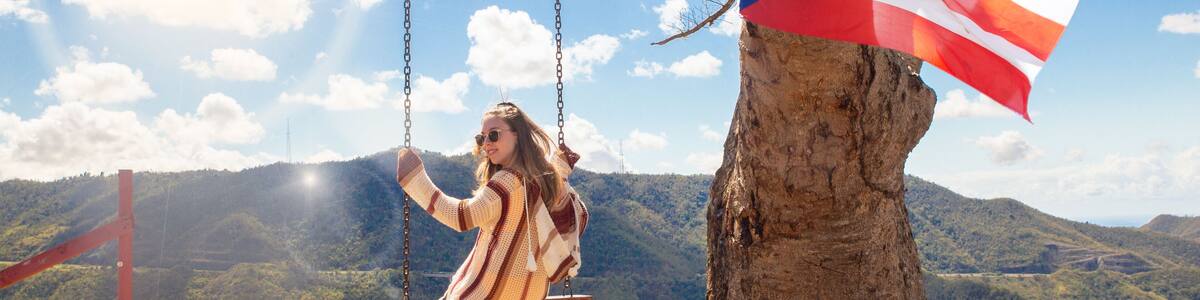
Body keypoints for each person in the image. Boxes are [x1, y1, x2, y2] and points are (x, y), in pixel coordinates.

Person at [396, 102, 588, 300]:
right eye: (481, 138)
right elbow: (578, 217)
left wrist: (416, 181)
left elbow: (460, 217)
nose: (486, 142)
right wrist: (559, 170)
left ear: (517, 135)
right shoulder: (547, 183)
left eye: (494, 134)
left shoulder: (507, 182)